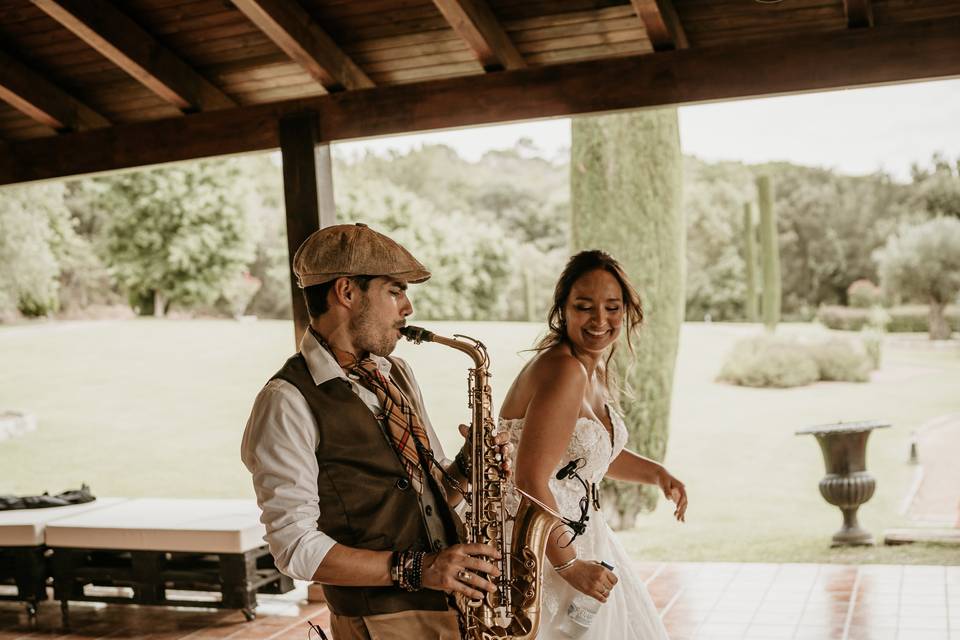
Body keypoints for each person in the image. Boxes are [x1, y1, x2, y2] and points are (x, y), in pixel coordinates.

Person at [241, 222, 509, 640]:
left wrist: (468, 463)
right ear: (346, 292)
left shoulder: (394, 372)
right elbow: (294, 549)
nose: (408, 308)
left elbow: (430, 495)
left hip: (450, 609)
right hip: (379, 623)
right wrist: (422, 569)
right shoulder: (286, 400)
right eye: (395, 291)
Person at [499, 249, 688, 639]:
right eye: (585, 307)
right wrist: (569, 565)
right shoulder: (563, 369)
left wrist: (657, 474)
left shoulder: (592, 366)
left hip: (584, 534)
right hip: (544, 543)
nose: (600, 320)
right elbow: (530, 479)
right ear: (563, 310)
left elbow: (585, 457)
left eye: (612, 307)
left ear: (626, 312)